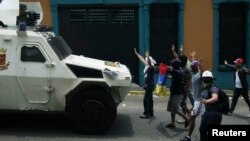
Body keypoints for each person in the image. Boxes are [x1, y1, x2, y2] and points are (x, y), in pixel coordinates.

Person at [180, 59, 204, 141]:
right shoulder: (192, 74)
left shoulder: (198, 75)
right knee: (192, 114)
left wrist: (200, 65)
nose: (191, 68)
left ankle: (188, 137)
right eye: (191, 66)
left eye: (193, 66)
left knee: (193, 117)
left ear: (196, 67)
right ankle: (188, 120)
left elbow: (202, 73)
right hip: (197, 101)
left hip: (200, 101)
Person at [166, 58, 189, 128]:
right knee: (172, 108)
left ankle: (187, 119)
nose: (171, 65)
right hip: (173, 92)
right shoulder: (176, 71)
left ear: (175, 65)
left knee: (176, 109)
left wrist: (170, 69)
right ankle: (173, 123)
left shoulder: (180, 71)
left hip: (177, 93)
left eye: (172, 64)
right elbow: (173, 75)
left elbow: (175, 72)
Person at [199, 70, 222, 141]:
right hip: (209, 113)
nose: (205, 80)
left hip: (213, 114)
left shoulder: (213, 88)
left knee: (204, 130)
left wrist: (206, 101)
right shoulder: (206, 88)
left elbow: (215, 98)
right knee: (202, 130)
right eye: (204, 79)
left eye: (206, 79)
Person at [134, 48, 156, 118]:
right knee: (150, 99)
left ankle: (146, 113)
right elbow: (142, 59)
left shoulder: (151, 67)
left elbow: (148, 62)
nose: (145, 61)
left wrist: (148, 56)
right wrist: (137, 54)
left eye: (147, 60)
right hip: (149, 84)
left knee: (145, 99)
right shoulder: (147, 66)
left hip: (150, 85)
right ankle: (151, 112)